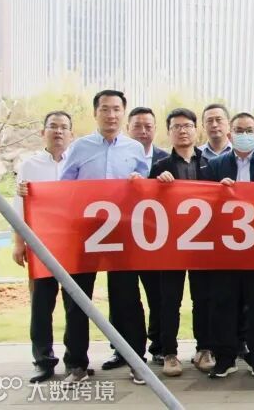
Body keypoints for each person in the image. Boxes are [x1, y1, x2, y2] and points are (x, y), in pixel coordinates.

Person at [59, 89, 150, 385]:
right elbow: (62, 188)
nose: (111, 115)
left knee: (127, 298)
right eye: (105, 109)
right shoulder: (79, 147)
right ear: (95, 113)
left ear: (123, 113)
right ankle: (76, 364)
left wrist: (140, 183)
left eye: (116, 109)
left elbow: (145, 190)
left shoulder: (135, 149)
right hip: (84, 233)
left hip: (122, 233)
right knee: (77, 298)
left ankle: (136, 360)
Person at [94, 107, 171, 372]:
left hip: (154, 240)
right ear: (128, 128)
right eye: (137, 126)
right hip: (120, 239)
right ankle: (123, 350)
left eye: (148, 126)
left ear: (155, 130)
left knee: (158, 296)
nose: (143, 131)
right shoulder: (115, 158)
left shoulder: (165, 160)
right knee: (122, 298)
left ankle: (159, 346)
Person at [204, 112, 254, 377]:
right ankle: (226, 356)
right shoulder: (215, 166)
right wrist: (218, 191)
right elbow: (201, 202)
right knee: (224, 301)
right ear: (229, 134)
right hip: (226, 248)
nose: (244, 135)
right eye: (239, 130)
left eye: (249, 130)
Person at [149, 108, 212, 377]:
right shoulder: (160, 167)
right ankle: (169, 353)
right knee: (169, 300)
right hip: (170, 246)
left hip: (202, 245)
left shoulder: (210, 164)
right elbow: (147, 202)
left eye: (187, 126)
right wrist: (156, 184)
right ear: (169, 132)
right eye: (176, 127)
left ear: (196, 130)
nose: (182, 131)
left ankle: (204, 349)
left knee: (203, 298)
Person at [12, 111, 74, 383]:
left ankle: (76, 360)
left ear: (71, 134)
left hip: (73, 245)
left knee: (76, 306)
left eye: (63, 127)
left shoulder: (78, 163)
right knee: (41, 305)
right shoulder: (30, 165)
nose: (58, 131)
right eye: (53, 126)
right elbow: (19, 205)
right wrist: (19, 242)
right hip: (41, 245)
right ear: (43, 132)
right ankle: (43, 361)